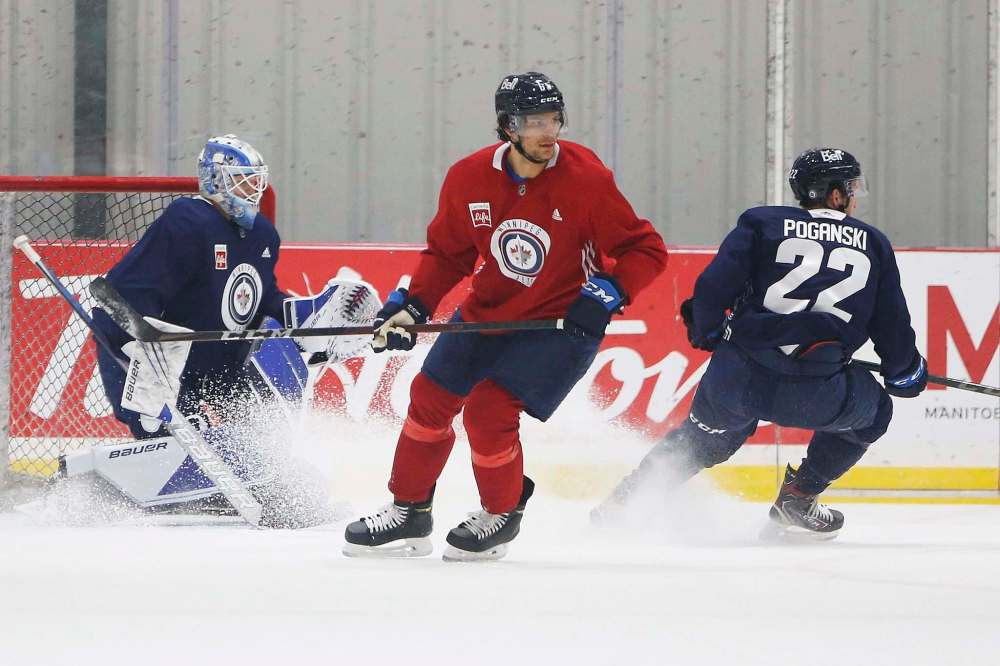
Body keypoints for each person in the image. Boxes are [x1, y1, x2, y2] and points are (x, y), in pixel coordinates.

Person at [343, 72, 669, 561]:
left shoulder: (587, 179)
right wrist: (412, 306)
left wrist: (607, 292)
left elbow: (645, 248)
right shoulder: (468, 177)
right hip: (487, 315)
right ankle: (410, 511)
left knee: (489, 411)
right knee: (429, 395)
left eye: (554, 119)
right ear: (507, 127)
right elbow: (446, 255)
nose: (547, 132)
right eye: (533, 121)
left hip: (560, 325)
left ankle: (501, 513)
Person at [592, 147, 927, 539]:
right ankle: (799, 497)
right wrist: (906, 374)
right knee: (875, 413)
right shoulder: (873, 243)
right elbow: (892, 326)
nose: (854, 197)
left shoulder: (762, 222)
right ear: (836, 194)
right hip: (818, 392)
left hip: (738, 378)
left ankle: (626, 501)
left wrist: (708, 329)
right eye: (851, 188)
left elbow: (715, 286)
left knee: (702, 440)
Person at [88, 134, 377, 524]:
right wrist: (144, 356)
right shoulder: (187, 222)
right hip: (156, 368)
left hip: (220, 365)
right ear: (214, 180)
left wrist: (306, 316)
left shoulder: (262, 235)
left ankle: (263, 479)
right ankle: (176, 487)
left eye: (257, 180)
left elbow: (261, 299)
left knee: (267, 423)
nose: (254, 190)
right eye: (243, 180)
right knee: (177, 444)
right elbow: (120, 300)